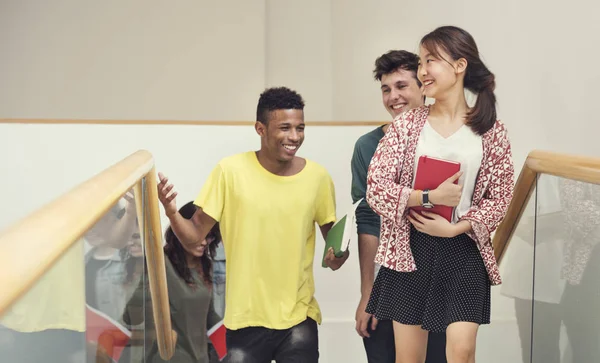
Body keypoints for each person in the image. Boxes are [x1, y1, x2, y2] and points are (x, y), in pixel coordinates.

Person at [156, 87, 348, 363]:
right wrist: (172, 211)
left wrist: (338, 255)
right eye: (285, 128)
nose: (294, 137)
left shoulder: (318, 178)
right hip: (245, 319)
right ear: (260, 128)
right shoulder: (229, 171)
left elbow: (334, 251)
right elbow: (193, 235)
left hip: (299, 316)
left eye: (300, 128)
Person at [365, 26, 514, 363]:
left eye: (430, 60)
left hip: (464, 252)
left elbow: (500, 197)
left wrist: (457, 227)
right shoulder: (406, 126)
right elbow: (377, 189)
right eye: (421, 62)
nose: (422, 71)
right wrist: (428, 196)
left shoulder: (490, 129)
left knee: (462, 351)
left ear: (459, 65)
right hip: (409, 251)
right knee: (409, 359)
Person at [351, 50, 446, 363]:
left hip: (438, 283)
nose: (393, 97)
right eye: (386, 89)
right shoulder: (367, 146)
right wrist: (368, 293)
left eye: (402, 86)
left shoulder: (447, 139)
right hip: (387, 285)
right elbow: (367, 219)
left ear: (422, 87)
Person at [123, 201, 221, 363]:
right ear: (180, 228)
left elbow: (209, 316)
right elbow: (131, 315)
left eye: (208, 235)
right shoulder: (161, 264)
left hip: (200, 358)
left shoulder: (206, 266)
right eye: (197, 232)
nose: (204, 242)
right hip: (168, 358)